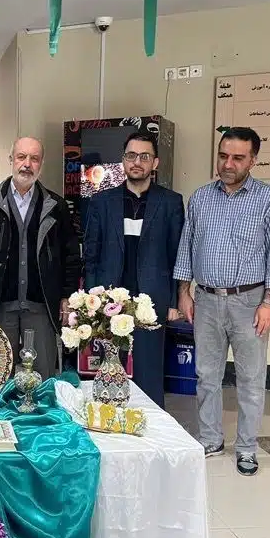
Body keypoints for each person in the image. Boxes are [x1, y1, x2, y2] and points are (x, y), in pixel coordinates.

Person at [174, 127, 270, 476]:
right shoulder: (200, 198)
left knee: (250, 379)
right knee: (206, 375)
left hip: (249, 302)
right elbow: (187, 247)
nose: (228, 163)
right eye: (223, 155)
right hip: (206, 300)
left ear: (253, 160)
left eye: (238, 158)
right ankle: (210, 439)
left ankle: (247, 448)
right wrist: (184, 292)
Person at [84, 131, 184, 406]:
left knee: (149, 371)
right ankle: (108, 421)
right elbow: (91, 254)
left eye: (144, 156)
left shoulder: (171, 202)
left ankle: (150, 424)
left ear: (155, 163)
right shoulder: (101, 201)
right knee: (109, 370)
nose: (137, 162)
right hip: (110, 299)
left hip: (152, 298)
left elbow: (177, 254)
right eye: (131, 156)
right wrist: (91, 299)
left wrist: (173, 301)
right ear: (123, 160)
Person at [0, 137, 80, 380]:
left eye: (34, 158)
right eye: (21, 157)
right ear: (11, 160)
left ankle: (40, 407)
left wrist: (66, 295)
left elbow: (71, 255)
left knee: (43, 377)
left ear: (41, 164)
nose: (27, 164)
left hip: (41, 305)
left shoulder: (56, 206)